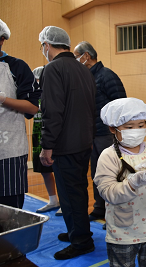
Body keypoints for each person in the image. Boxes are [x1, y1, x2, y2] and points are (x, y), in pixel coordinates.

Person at [94, 97, 146, 267]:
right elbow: (108, 192)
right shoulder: (108, 156)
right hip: (124, 232)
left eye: (141, 125)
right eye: (129, 127)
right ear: (113, 128)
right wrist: (134, 182)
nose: (137, 130)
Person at [38, 26, 96, 260]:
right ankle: (78, 231)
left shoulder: (52, 69)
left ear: (47, 45)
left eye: (42, 45)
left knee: (70, 194)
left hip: (65, 144)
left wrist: (47, 145)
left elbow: (52, 111)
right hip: (83, 143)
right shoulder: (84, 70)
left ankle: (81, 242)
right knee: (78, 191)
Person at [73, 41, 127, 222]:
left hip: (107, 133)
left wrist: (117, 132)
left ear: (86, 56)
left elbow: (121, 104)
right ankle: (100, 207)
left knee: (113, 174)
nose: (75, 60)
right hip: (93, 134)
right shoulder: (87, 77)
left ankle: (116, 213)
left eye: (76, 56)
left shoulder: (106, 75)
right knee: (98, 173)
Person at [0, 19, 41, 209]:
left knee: (10, 210)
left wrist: (3, 100)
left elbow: (33, 107)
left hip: (10, 151)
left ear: (1, 40)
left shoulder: (16, 67)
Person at [31, 66, 62, 216]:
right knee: (44, 170)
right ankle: (53, 199)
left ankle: (65, 200)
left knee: (59, 170)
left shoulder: (52, 92)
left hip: (53, 136)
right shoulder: (33, 94)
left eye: (38, 81)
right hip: (38, 135)